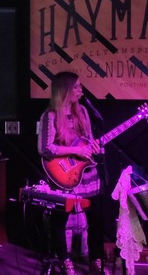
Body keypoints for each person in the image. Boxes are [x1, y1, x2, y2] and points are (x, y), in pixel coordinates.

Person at [38, 71, 108, 275]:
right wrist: (76, 150)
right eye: (77, 87)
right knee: (60, 220)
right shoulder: (49, 116)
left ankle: (96, 262)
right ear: (66, 90)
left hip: (87, 174)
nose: (81, 90)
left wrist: (94, 148)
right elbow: (45, 148)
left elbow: (89, 139)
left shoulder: (84, 112)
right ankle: (65, 260)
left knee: (97, 220)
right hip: (64, 175)